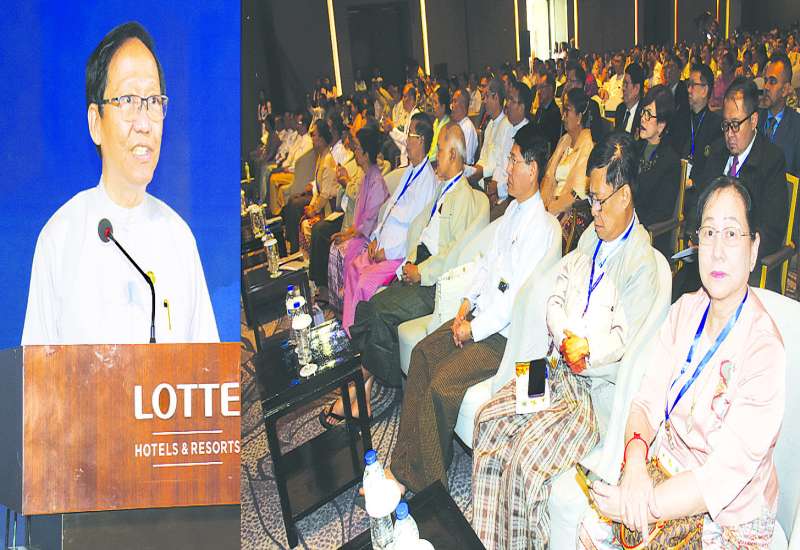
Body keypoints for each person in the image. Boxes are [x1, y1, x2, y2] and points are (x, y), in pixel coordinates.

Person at [471, 131, 660, 549]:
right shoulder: (592, 237)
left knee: (525, 458)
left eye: (600, 200)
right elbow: (556, 292)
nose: (593, 211)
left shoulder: (641, 265)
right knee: (489, 418)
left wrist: (585, 348)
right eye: (590, 199)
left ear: (625, 196)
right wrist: (562, 332)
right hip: (553, 368)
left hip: (590, 394)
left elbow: (624, 347)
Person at [578, 177, 785, 549]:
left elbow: (721, 478)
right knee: (590, 529)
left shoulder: (763, 350)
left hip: (727, 513)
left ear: (753, 249)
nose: (717, 251)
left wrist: (640, 506)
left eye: (731, 234)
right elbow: (645, 403)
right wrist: (636, 463)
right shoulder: (685, 311)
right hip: (666, 469)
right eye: (709, 233)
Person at [22, 22, 218, 345]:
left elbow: (207, 367)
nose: (144, 123)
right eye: (128, 100)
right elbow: (36, 372)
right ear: (95, 123)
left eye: (153, 101)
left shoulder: (180, 238)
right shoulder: (59, 239)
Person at [387, 125, 557, 495]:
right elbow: (485, 266)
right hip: (479, 317)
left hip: (502, 339)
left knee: (441, 385)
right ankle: (403, 465)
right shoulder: (511, 212)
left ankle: (428, 486)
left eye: (513, 161)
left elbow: (512, 301)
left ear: (532, 169)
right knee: (422, 354)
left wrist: (472, 329)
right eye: (509, 160)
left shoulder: (541, 229)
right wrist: (465, 305)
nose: (506, 169)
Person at [324, 122, 483, 425]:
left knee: (377, 310)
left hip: (432, 282)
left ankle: (360, 383)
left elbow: (454, 254)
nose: (435, 157)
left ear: (453, 155)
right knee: (371, 307)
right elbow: (418, 231)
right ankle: (364, 389)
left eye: (440, 151)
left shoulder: (463, 196)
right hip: (417, 265)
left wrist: (420, 271)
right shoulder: (443, 189)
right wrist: (408, 262)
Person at [338, 113, 438, 336]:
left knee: (364, 283)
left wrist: (387, 252)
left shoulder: (427, 182)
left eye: (409, 135)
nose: (405, 141)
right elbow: (388, 211)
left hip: (397, 255)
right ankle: (349, 331)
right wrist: (375, 238)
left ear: (421, 140)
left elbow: (415, 232)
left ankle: (362, 337)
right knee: (354, 268)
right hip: (381, 246)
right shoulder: (410, 171)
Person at [687, 77, 788, 292]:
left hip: (747, 266)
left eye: (735, 125)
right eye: (725, 125)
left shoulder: (772, 160)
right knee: (681, 296)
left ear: (753, 120)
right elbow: (698, 200)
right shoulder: (717, 152)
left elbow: (772, 229)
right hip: (710, 256)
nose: (729, 134)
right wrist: (695, 233)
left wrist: (734, 248)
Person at [325, 127, 389, 311]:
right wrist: (346, 233)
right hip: (362, 233)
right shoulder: (366, 177)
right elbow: (359, 220)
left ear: (367, 154)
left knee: (338, 251)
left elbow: (368, 226)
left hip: (371, 239)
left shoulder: (376, 182)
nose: (355, 152)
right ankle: (340, 305)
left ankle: (345, 307)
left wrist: (347, 235)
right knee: (335, 246)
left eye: (358, 148)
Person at [540, 87, 599, 253]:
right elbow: (550, 176)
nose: (563, 116)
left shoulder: (587, 146)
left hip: (571, 211)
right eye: (563, 110)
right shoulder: (565, 140)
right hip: (552, 203)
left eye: (567, 111)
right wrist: (546, 204)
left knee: (543, 239)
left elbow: (577, 193)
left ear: (579, 117)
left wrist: (553, 207)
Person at [635, 85, 681, 259]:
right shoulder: (636, 148)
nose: (642, 118)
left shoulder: (670, 161)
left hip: (650, 238)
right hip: (627, 227)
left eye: (648, 115)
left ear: (661, 125)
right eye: (643, 112)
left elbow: (661, 213)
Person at [280, 119, 337, 256]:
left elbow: (325, 194)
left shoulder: (328, 160)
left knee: (303, 218)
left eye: (314, 135)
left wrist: (314, 210)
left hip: (328, 209)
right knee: (295, 205)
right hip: (321, 204)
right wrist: (311, 206)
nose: (312, 139)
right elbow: (318, 190)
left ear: (322, 138)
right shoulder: (321, 157)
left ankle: (300, 253)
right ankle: (295, 250)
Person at [489, 80, 532, 219]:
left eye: (512, 101)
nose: (507, 104)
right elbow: (500, 162)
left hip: (512, 198)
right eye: (508, 99)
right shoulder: (508, 127)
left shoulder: (527, 136)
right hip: (498, 192)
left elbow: (518, 178)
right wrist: (494, 184)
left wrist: (497, 190)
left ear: (522, 107)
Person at [465, 78, 512, 192]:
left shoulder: (507, 125)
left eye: (486, 96)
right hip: (480, 179)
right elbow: (483, 158)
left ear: (496, 97)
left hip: (493, 184)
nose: (484, 101)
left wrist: (481, 171)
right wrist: (474, 170)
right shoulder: (490, 124)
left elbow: (502, 164)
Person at [677, 64, 722, 179]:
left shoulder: (716, 126)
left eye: (693, 85)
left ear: (704, 90)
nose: (688, 90)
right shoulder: (679, 118)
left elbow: (713, 168)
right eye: (688, 84)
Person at [760, 52, 800, 176]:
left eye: (772, 81)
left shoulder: (797, 127)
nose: (766, 87)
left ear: (785, 90)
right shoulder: (753, 119)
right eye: (765, 80)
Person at [268, 113, 312, 215]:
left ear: (305, 125)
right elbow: (291, 157)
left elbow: (301, 164)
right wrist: (284, 167)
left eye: (298, 123)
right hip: (291, 170)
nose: (296, 125)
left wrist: (287, 169)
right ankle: (275, 209)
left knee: (273, 179)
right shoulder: (299, 138)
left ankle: (276, 212)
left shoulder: (308, 141)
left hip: (298, 174)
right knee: (272, 176)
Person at [383, 83, 420, 166]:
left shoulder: (416, 117)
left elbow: (408, 141)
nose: (402, 100)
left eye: (404, 96)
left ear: (411, 99)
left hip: (410, 164)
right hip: (404, 163)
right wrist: (391, 131)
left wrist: (393, 128)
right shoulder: (410, 115)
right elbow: (403, 147)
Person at [532, 71, 562, 155]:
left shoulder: (555, 114)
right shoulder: (540, 110)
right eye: (538, 88)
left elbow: (549, 143)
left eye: (542, 87)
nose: (539, 92)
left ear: (551, 89)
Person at [450, 88, 478, 165]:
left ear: (463, 105)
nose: (452, 106)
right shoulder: (456, 125)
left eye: (455, 101)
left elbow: (466, 160)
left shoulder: (468, 127)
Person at [614, 63, 643, 136]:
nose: (623, 88)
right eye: (623, 84)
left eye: (626, 84)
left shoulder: (643, 115)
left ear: (636, 89)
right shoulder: (620, 109)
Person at [428, 87, 451, 162]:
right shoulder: (436, 122)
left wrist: (426, 160)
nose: (433, 106)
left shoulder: (447, 126)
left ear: (443, 107)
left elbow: (439, 153)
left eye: (435, 103)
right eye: (432, 103)